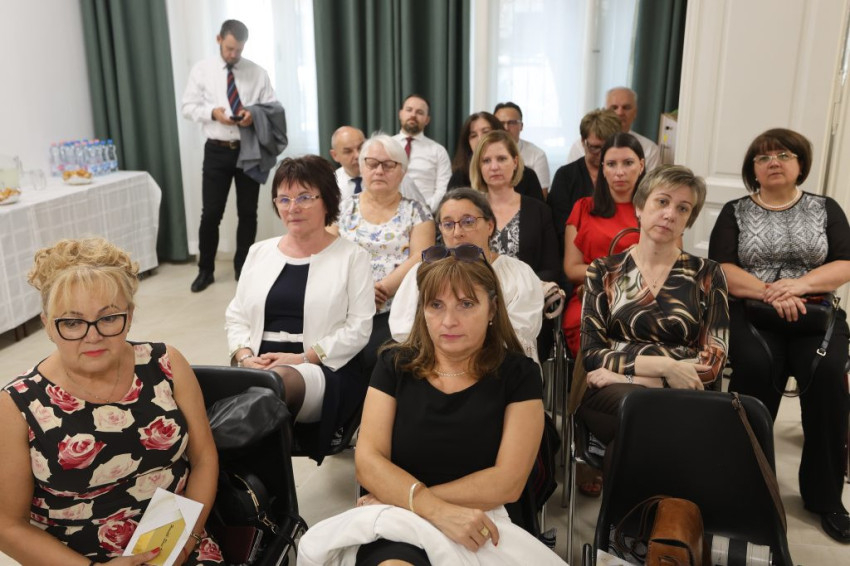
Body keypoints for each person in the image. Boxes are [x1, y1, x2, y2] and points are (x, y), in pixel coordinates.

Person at [297, 254, 565, 565]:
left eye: (466, 304)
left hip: (485, 519)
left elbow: (508, 481)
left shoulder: (520, 375)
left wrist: (412, 499)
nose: (448, 321)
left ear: (492, 309)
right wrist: (433, 509)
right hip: (399, 525)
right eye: (436, 305)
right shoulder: (394, 365)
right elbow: (368, 462)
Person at [0, 238, 221, 564]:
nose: (93, 336)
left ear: (129, 316)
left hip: (178, 542)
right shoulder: (16, 406)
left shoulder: (166, 363)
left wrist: (185, 544)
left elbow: (203, 458)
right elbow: (7, 526)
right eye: (72, 322)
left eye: (108, 318)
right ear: (47, 325)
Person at [708, 128, 850, 543]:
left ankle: (825, 498)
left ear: (800, 164)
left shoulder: (826, 208)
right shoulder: (734, 211)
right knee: (754, 368)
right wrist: (773, 292)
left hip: (815, 313)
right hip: (753, 311)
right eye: (763, 157)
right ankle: (744, 488)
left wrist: (799, 286)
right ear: (752, 169)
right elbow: (721, 268)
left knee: (828, 374)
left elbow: (845, 262)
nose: (774, 162)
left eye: (784, 155)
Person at [575, 165, 729, 466]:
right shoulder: (603, 271)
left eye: (682, 208)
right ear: (639, 207)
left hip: (675, 391)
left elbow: (713, 361)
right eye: (662, 201)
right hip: (614, 392)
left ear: (688, 221)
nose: (670, 214)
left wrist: (638, 378)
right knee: (642, 411)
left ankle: (627, 498)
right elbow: (592, 354)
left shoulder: (708, 273)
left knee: (639, 425)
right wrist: (667, 368)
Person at [225, 155, 374, 462]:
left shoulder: (352, 257)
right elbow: (236, 315)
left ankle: (239, 472)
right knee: (214, 386)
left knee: (275, 382)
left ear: (327, 201)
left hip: (320, 368)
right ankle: (261, 483)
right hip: (256, 364)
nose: (293, 207)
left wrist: (303, 357)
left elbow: (359, 329)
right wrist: (245, 356)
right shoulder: (259, 252)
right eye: (284, 199)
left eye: (304, 197)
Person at [182, 19, 282, 292]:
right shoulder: (202, 70)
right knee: (211, 213)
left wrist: (253, 115)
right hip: (216, 149)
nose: (233, 54)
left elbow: (272, 107)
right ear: (219, 40)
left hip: (248, 150)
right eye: (229, 49)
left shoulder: (257, 72)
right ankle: (205, 270)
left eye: (238, 50)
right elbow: (187, 106)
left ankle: (243, 269)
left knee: (248, 213)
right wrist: (212, 113)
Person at [390, 188, 544, 363]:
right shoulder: (421, 272)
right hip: (432, 367)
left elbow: (519, 334)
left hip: (499, 367)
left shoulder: (518, 273)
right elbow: (404, 331)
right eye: (448, 224)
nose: (457, 233)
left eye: (468, 222)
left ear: (490, 226)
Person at [335, 134, 435, 372]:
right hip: (344, 303)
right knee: (335, 359)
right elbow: (327, 253)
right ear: (362, 168)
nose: (379, 171)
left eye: (389, 165)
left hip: (394, 306)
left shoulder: (418, 211)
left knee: (379, 358)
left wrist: (382, 289)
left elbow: (421, 257)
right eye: (372, 163)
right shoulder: (341, 208)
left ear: (403, 172)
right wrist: (361, 293)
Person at [563, 132, 647, 357]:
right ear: (602, 168)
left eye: (628, 163)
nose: (619, 172)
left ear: (641, 165)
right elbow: (571, 269)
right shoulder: (583, 207)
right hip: (591, 295)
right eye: (611, 164)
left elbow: (670, 264)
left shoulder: (655, 211)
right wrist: (619, 271)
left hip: (642, 297)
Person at [469, 130, 559, 283]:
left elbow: (551, 269)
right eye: (486, 161)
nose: (494, 167)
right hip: (479, 292)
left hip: (528, 292)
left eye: (502, 159)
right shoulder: (470, 210)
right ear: (479, 167)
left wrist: (520, 288)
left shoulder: (539, 211)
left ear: (515, 162)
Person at [548, 108, 622, 273]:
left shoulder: (623, 177)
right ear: (583, 142)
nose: (601, 154)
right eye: (595, 147)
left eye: (607, 147)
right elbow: (559, 230)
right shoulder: (566, 176)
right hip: (575, 262)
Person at [447, 111, 544, 201]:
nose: (480, 139)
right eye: (473, 136)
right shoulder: (460, 177)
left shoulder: (527, 176)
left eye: (486, 132)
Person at [567, 87, 660, 172]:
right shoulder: (581, 146)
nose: (620, 112)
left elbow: (652, 184)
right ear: (605, 110)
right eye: (614, 107)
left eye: (626, 107)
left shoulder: (649, 150)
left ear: (635, 112)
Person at [330, 125, 426, 205]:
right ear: (335, 155)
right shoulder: (332, 184)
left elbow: (423, 212)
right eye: (348, 151)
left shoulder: (398, 178)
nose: (357, 155)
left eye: (360, 147)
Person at [392, 94, 452, 212]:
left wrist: (424, 211)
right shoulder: (384, 146)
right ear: (400, 114)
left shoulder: (438, 151)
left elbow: (443, 189)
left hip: (427, 213)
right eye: (409, 110)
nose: (413, 115)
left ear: (427, 120)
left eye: (419, 112)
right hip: (388, 212)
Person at [494, 102, 551, 196]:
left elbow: (541, 197)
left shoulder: (537, 155)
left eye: (512, 123)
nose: (506, 128)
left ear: (521, 126)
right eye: (501, 123)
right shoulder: (485, 154)